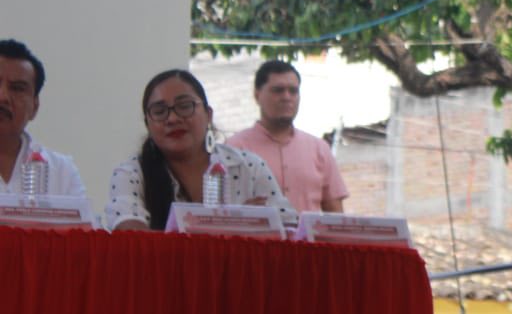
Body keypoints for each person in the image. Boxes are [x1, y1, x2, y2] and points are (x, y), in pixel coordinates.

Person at [105, 69, 288, 231]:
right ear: (148, 125)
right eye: (160, 111)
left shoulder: (249, 167)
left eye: (185, 107)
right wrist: (234, 226)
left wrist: (262, 224)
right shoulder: (131, 173)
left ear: (208, 115)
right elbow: (130, 234)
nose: (173, 119)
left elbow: (290, 227)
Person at [226, 60, 348, 215]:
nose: (286, 97)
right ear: (257, 95)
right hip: (254, 239)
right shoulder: (234, 148)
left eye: (293, 91)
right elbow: (222, 210)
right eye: (278, 90)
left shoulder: (319, 149)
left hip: (308, 239)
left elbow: (335, 216)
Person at [0, 39, 86, 197]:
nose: (3, 97)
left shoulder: (62, 172)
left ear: (35, 106)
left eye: (17, 88)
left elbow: (83, 222)